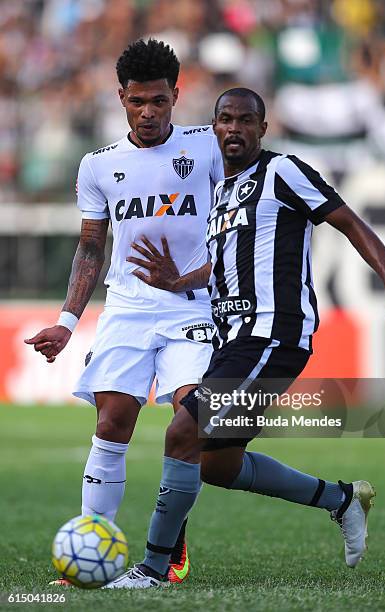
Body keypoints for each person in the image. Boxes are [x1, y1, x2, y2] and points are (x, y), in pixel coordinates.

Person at [107, 87, 385, 589]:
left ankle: (153, 567)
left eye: (245, 120)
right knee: (216, 464)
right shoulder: (218, 194)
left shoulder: (284, 172)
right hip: (231, 337)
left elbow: (350, 223)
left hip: (273, 334)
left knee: (181, 433)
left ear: (263, 127)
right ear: (214, 127)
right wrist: (179, 281)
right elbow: (227, 266)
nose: (234, 128)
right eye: (225, 119)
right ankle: (340, 499)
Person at [24, 38, 223, 585]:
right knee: (113, 422)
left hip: (194, 306)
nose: (149, 112)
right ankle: (94, 542)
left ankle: (168, 541)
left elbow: (233, 235)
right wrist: (66, 323)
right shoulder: (98, 166)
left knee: (193, 418)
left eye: (159, 101)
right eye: (138, 102)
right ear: (121, 98)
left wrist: (187, 278)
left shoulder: (208, 148)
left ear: (176, 96)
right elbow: (90, 248)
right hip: (129, 311)